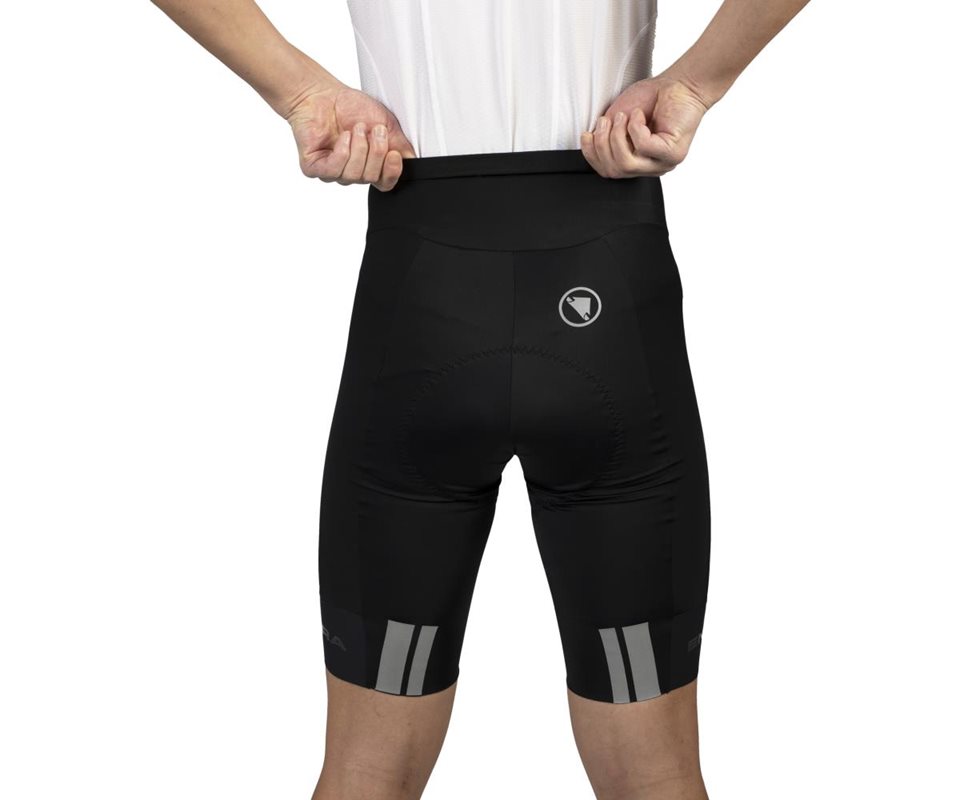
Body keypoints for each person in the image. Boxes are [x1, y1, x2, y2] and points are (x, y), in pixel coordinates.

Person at [151, 1, 810, 798]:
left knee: (367, 772)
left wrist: (299, 91)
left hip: (424, 301)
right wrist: (696, 85)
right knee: (655, 777)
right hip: (607, 300)